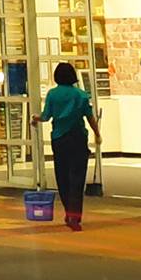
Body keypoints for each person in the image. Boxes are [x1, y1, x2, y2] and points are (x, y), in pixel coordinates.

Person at [34, 62, 101, 230]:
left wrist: (36, 118)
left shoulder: (52, 94)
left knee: (62, 177)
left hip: (59, 139)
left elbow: (46, 116)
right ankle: (75, 216)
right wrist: (97, 134)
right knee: (77, 178)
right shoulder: (81, 95)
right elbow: (89, 117)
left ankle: (68, 212)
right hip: (78, 138)